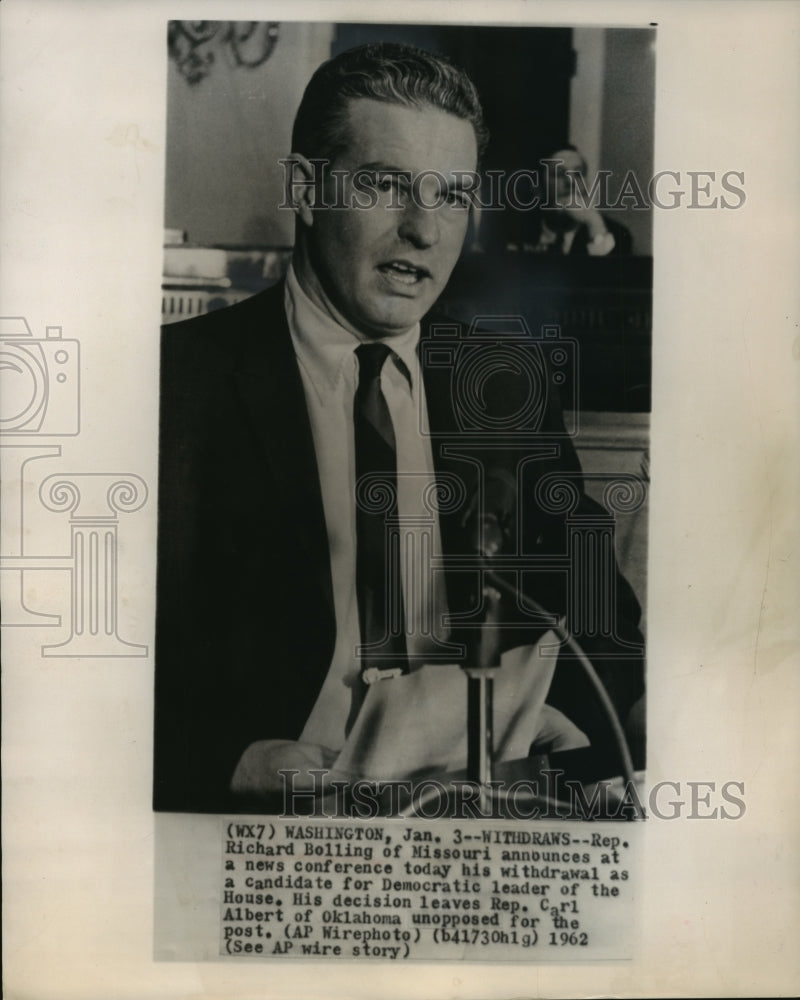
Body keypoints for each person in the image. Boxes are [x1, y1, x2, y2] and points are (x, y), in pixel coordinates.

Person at [154, 43, 644, 814]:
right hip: (260, 821)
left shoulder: (504, 385)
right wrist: (233, 761)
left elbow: (602, 621)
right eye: (387, 185)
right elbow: (81, 683)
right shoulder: (174, 383)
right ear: (307, 189)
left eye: (452, 195)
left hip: (476, 814)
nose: (424, 230)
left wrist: (576, 722)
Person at [521, 144, 633, 256]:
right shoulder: (517, 231)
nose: (571, 182)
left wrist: (594, 225)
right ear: (538, 189)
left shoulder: (616, 234)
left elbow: (609, 272)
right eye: (559, 174)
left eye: (578, 174)